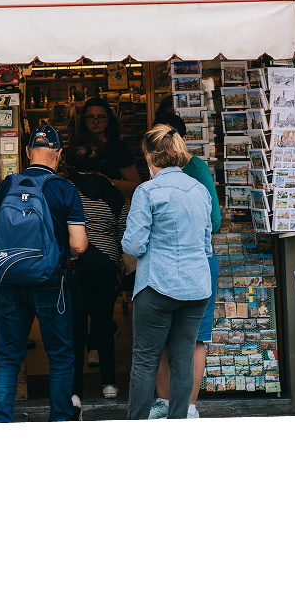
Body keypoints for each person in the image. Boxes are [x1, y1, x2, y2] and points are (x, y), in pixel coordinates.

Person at [0, 123, 88, 423]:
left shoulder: (8, 184)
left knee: (8, 358)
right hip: (50, 284)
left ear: (28, 152)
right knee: (61, 357)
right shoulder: (66, 189)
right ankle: (60, 419)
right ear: (59, 154)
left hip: (11, 282)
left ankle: (2, 420)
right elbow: (78, 246)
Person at [121, 123, 214, 420]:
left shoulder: (146, 191)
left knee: (145, 361)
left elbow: (133, 245)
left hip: (156, 285)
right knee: (183, 359)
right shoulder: (199, 190)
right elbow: (207, 243)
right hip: (196, 286)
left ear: (149, 157)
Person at [151, 109, 222, 419]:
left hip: (183, 264)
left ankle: (183, 408)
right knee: (177, 338)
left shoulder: (192, 168)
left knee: (186, 338)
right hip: (187, 264)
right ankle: (174, 407)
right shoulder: (170, 170)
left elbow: (215, 221)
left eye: (165, 137)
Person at [60, 99, 130, 407]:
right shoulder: (114, 192)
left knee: (75, 329)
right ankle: (110, 385)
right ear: (101, 162)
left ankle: (74, 391)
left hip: (75, 265)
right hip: (106, 267)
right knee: (103, 324)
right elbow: (124, 232)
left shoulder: (63, 189)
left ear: (70, 163)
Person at [63, 94, 142, 205]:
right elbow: (66, 181)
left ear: (108, 119)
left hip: (111, 208)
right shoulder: (76, 145)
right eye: (90, 117)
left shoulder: (119, 147)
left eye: (101, 117)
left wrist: (109, 182)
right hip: (78, 209)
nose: (95, 122)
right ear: (84, 119)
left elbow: (136, 186)